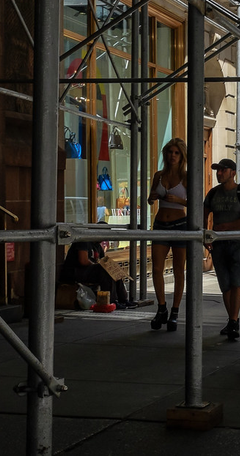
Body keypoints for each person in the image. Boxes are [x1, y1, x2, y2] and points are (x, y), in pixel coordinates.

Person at [204, 158, 240, 341]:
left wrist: (225, 227)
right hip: (219, 244)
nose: (219, 173)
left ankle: (233, 320)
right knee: (225, 284)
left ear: (233, 172)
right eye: (217, 170)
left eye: (223, 170)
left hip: (238, 243)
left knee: (236, 283)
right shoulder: (212, 193)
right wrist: (206, 235)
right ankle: (232, 321)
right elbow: (203, 214)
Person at [147, 137, 188, 331]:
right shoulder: (158, 175)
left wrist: (180, 200)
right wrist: (152, 197)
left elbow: (196, 202)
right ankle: (161, 307)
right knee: (157, 268)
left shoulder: (186, 177)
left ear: (182, 156)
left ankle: (175, 310)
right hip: (161, 223)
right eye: (170, 152)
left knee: (179, 269)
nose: (173, 156)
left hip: (180, 223)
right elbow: (149, 199)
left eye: (176, 153)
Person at [60, 240, 137, 309]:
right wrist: (98, 265)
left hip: (88, 272)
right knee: (103, 270)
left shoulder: (97, 246)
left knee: (112, 268)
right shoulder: (83, 242)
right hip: (75, 272)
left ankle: (123, 299)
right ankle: (111, 300)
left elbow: (104, 262)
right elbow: (83, 261)